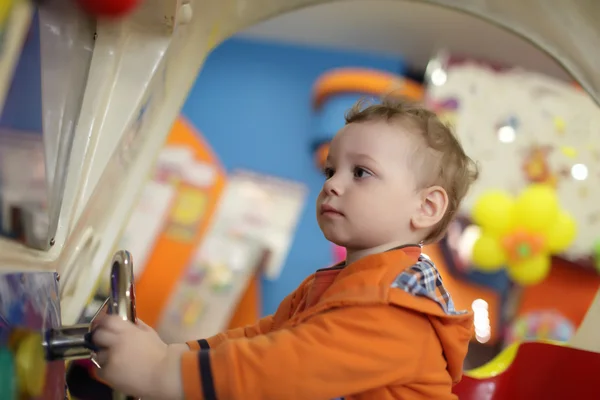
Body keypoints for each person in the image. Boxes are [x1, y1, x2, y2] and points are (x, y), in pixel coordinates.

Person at [92, 97, 479, 400]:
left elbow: (282, 368)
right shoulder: (334, 285)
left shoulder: (398, 308)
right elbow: (263, 338)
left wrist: (160, 372)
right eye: (331, 171)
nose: (331, 184)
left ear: (426, 207)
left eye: (361, 172)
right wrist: (169, 354)